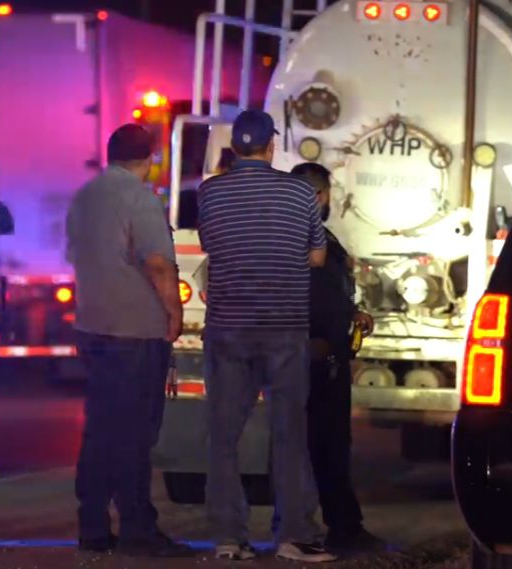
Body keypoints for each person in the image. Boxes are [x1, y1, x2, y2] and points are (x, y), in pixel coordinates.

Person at [197, 110, 335, 563]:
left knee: (223, 435)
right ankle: (294, 535)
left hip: (229, 329)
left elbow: (212, 246)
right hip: (284, 327)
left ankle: (228, 538)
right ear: (271, 147)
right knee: (289, 432)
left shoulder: (210, 193)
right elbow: (317, 257)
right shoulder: (299, 192)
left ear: (235, 147)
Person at [65, 124, 191, 558]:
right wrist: (175, 314)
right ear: (152, 159)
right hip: (135, 331)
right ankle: (138, 528)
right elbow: (158, 264)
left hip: (92, 326)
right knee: (135, 433)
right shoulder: (140, 198)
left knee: (100, 428)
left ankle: (94, 524)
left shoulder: (85, 196)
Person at [291, 162, 385, 552]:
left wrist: (351, 314)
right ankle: (333, 528)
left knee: (332, 443)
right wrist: (315, 338)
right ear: (321, 195)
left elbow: (330, 291)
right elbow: (305, 296)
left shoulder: (319, 236)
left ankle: (343, 524)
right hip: (314, 356)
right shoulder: (301, 237)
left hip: (327, 353)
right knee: (322, 444)